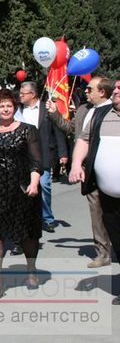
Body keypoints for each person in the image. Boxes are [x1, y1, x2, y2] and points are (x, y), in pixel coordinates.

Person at [0, 89, 42, 300]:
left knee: (27, 234)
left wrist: (34, 182)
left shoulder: (28, 130)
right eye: (1, 106)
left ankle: (31, 270)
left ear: (15, 107)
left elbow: (36, 161)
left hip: (22, 189)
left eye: (9, 105)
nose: (5, 109)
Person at [59, 77, 114, 269]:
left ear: (102, 92)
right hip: (94, 173)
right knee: (96, 212)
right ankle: (103, 252)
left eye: (90, 89)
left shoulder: (113, 110)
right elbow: (82, 138)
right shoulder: (87, 111)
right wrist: (77, 164)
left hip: (115, 175)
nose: (86, 91)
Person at [16, 82, 67, 233]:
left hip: (44, 154)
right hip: (23, 156)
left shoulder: (47, 108)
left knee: (44, 186)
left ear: (33, 94)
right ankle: (28, 218)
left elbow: (58, 131)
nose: (20, 96)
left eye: (23, 93)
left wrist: (63, 153)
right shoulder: (18, 111)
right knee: (24, 188)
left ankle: (48, 218)